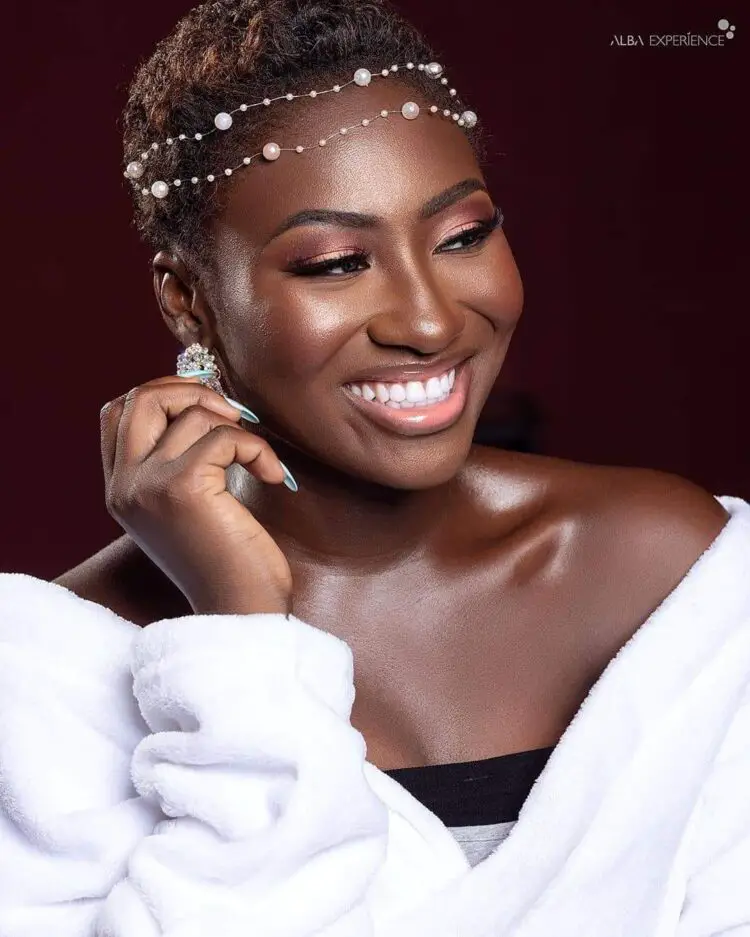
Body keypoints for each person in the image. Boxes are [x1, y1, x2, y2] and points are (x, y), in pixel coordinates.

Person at [1, 1, 748, 934]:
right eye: (337, 262)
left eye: (464, 237)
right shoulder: (48, 677)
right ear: (188, 301)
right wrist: (242, 637)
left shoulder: (682, 580)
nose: (430, 321)